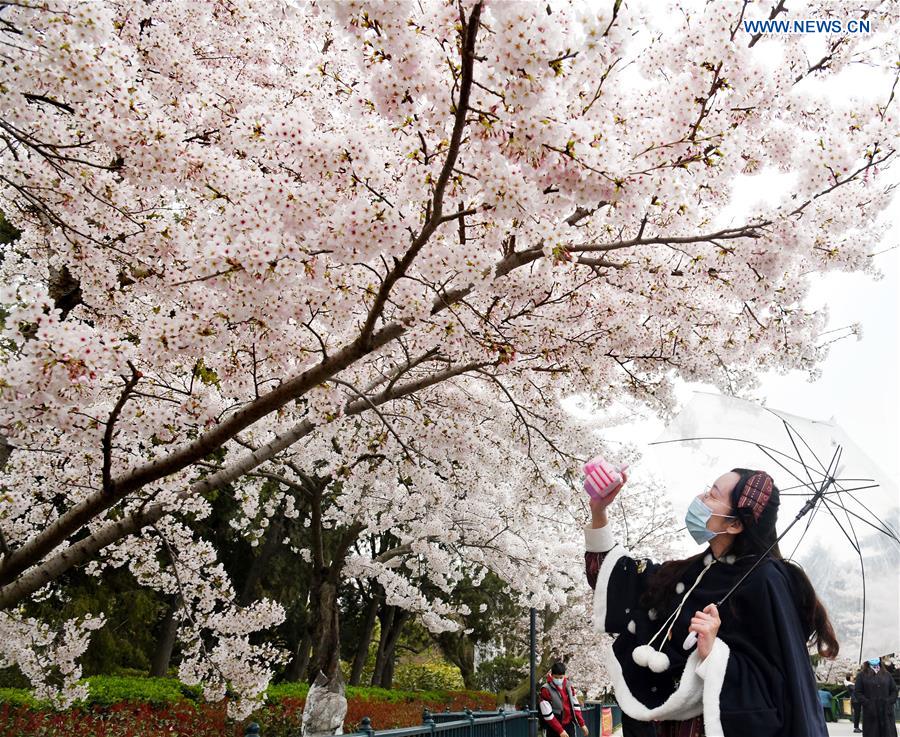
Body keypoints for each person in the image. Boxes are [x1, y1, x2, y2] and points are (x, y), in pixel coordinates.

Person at [584, 467, 838, 737]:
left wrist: (714, 654)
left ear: (735, 524)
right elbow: (622, 583)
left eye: (712, 495)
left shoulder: (767, 580)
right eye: (708, 489)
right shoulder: (693, 571)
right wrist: (599, 510)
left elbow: (777, 685)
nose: (701, 498)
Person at [538, 661, 589, 737]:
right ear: (551, 675)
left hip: (569, 725)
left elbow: (575, 707)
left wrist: (582, 724)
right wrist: (560, 730)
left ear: (564, 676)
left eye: (561, 677)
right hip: (553, 726)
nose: (558, 679)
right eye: (556, 677)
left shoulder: (569, 686)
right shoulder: (545, 689)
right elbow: (547, 715)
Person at [855, 658, 899, 737]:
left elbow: (894, 691)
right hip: (871, 712)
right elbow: (858, 693)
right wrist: (868, 703)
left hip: (886, 712)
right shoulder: (861, 675)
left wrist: (889, 701)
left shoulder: (887, 674)